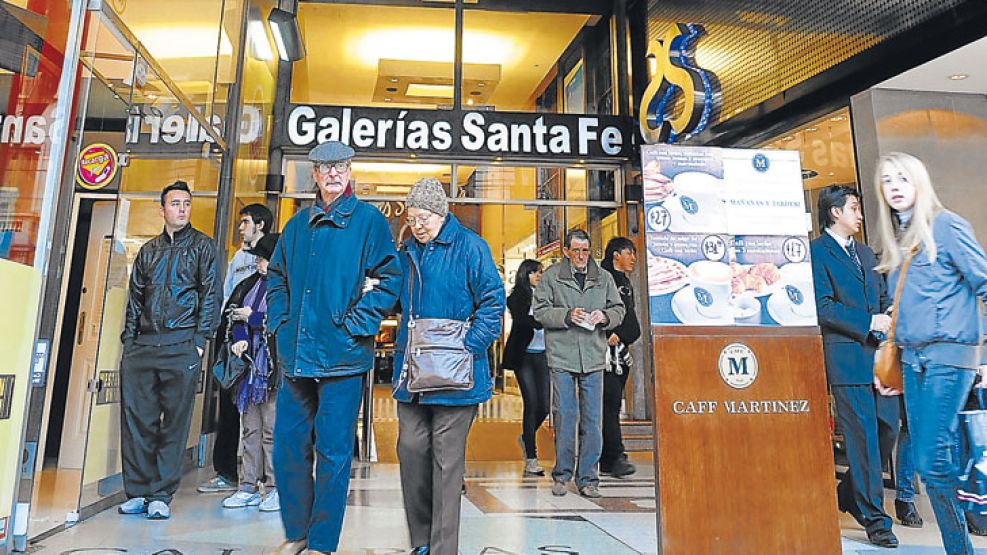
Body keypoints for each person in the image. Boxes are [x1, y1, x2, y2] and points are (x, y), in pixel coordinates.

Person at [267, 141, 402, 555]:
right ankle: (298, 533)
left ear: (350, 170)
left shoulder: (368, 222)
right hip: (297, 356)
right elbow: (277, 279)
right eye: (325, 168)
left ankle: (322, 542)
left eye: (340, 166)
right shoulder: (296, 225)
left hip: (342, 357)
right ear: (315, 175)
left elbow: (389, 278)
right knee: (287, 447)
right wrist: (280, 325)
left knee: (333, 451)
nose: (332, 174)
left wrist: (356, 324)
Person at [874, 152, 987, 555]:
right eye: (887, 180)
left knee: (933, 460)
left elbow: (984, 283)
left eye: (902, 178)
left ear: (920, 181)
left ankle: (963, 546)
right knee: (932, 463)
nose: (895, 186)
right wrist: (892, 366)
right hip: (914, 360)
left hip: (949, 356)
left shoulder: (947, 226)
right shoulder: (904, 239)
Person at [392, 178, 505, 555]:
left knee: (446, 463)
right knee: (410, 451)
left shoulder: (472, 247)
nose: (417, 224)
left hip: (457, 379)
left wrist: (467, 346)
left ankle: (442, 549)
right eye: (412, 217)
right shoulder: (406, 251)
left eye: (423, 217)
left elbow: (493, 303)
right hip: (413, 376)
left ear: (441, 214)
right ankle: (421, 541)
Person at [117, 180, 218, 520]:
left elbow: (210, 296)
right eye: (175, 203)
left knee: (173, 424)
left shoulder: (203, 247)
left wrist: (200, 342)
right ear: (162, 210)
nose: (182, 209)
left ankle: (160, 494)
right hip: (143, 346)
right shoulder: (148, 251)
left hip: (182, 345)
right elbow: (134, 300)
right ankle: (138, 491)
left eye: (186, 204)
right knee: (138, 422)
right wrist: (129, 342)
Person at [809, 184, 899, 548]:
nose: (860, 215)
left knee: (887, 428)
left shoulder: (865, 252)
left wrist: (887, 311)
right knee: (861, 439)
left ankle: (848, 494)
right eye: (854, 208)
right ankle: (875, 519)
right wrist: (867, 322)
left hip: (877, 358)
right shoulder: (817, 253)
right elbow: (823, 306)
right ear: (835, 213)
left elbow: (880, 295)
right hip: (845, 356)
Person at [533, 229, 625, 499]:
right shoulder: (551, 277)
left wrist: (605, 316)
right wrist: (566, 315)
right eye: (576, 251)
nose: (582, 256)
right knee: (564, 415)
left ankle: (588, 478)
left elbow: (619, 309)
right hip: (562, 355)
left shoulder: (603, 278)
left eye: (585, 251)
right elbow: (540, 311)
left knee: (593, 419)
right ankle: (562, 474)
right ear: (566, 251)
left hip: (594, 356)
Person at [200, 203, 274, 495]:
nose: (240, 227)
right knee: (238, 414)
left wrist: (252, 319)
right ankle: (236, 476)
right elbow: (231, 298)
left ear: (261, 225)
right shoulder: (240, 261)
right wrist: (230, 327)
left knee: (267, 423)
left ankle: (270, 482)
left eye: (245, 222)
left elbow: (279, 315)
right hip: (237, 342)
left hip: (265, 357)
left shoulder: (277, 275)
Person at [216, 232, 281, 513]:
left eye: (264, 258)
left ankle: (277, 487)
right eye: (258, 258)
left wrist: (251, 318)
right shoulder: (249, 284)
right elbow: (232, 312)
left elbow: (282, 320)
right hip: (248, 368)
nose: (259, 263)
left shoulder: (285, 287)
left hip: (272, 369)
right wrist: (240, 334)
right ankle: (248, 486)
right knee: (250, 428)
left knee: (272, 429)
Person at [502, 259, 549, 476]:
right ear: (525, 274)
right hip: (524, 357)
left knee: (545, 405)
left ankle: (525, 436)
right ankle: (531, 457)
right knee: (531, 403)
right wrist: (544, 319)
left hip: (544, 356)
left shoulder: (548, 294)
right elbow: (523, 320)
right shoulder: (516, 297)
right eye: (535, 272)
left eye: (541, 272)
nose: (539, 276)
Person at [599, 237, 641, 478]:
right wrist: (607, 331)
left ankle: (608, 458)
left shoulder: (625, 281)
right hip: (606, 355)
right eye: (629, 253)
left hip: (621, 355)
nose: (633, 258)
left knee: (612, 405)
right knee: (609, 404)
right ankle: (615, 456)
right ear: (616, 254)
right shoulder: (603, 278)